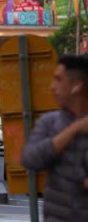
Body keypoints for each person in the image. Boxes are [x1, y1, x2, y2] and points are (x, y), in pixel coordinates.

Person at [21, 54, 88, 221]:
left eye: (59, 80)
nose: (52, 87)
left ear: (77, 86)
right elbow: (30, 159)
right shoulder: (50, 122)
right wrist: (73, 130)